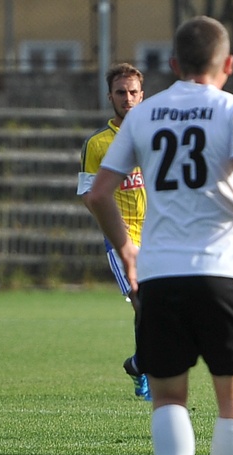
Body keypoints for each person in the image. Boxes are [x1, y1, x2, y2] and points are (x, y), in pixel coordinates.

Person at [84, 16, 233, 455]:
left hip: (161, 275)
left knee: (169, 399)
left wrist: (125, 246)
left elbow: (99, 193)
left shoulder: (143, 113)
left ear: (172, 66)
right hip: (224, 274)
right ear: (228, 64)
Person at [77, 62, 150, 400]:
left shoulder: (154, 135)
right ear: (110, 96)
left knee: (161, 306)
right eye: (121, 92)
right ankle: (147, 368)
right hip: (122, 240)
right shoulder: (98, 144)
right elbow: (90, 197)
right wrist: (115, 233)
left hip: (159, 236)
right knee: (143, 302)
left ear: (142, 94)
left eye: (133, 92)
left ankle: (140, 363)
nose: (127, 98)